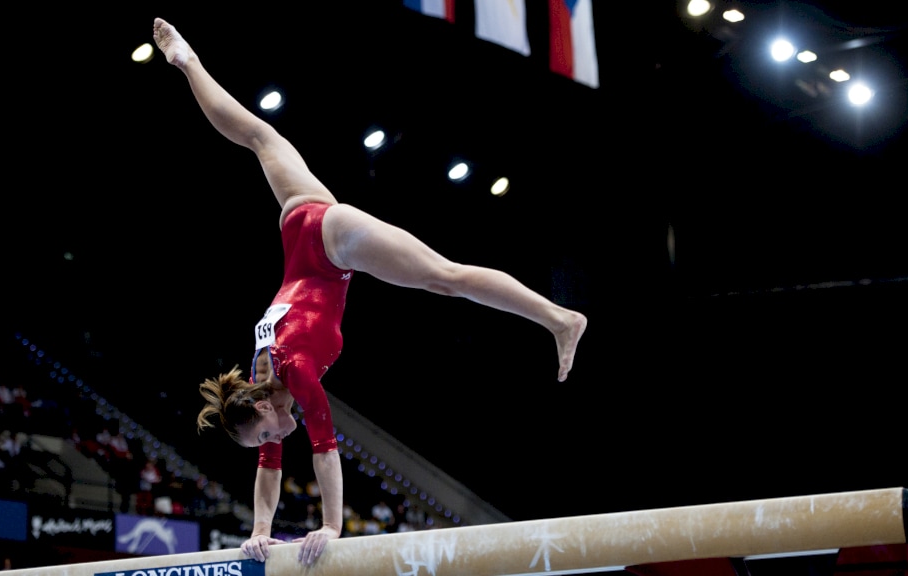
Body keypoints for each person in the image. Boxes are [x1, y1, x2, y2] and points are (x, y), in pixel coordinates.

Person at [152, 17, 587, 567]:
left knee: (445, 278)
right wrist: (259, 530)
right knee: (259, 137)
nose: (276, 436)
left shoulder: (290, 376)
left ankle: (558, 319)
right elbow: (269, 467)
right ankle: (188, 60)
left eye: (268, 428)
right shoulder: (263, 380)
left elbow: (325, 450)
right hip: (299, 223)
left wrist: (332, 526)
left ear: (262, 404)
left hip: (331, 245)